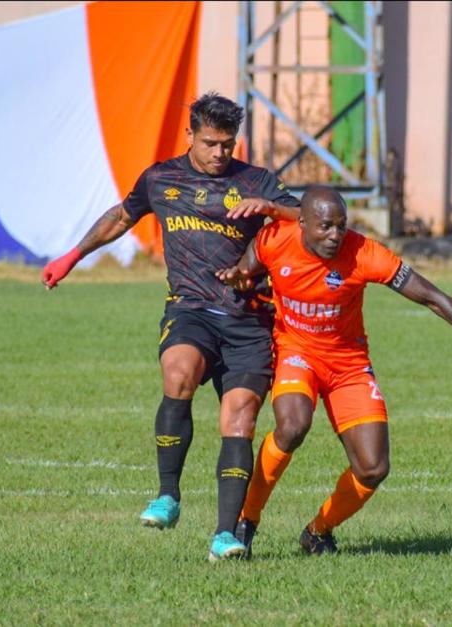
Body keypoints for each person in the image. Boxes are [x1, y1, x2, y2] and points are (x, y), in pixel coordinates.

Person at [41, 92, 300, 562]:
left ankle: (226, 535)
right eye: (211, 142)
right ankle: (168, 495)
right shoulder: (161, 178)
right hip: (191, 310)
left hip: (249, 320)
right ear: (191, 136)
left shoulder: (257, 181)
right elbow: (122, 215)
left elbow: (313, 219)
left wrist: (272, 206)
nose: (221, 153)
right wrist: (72, 257)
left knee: (239, 418)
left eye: (228, 143)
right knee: (178, 373)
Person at [215, 186, 452, 557]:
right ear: (302, 223)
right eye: (326, 227)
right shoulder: (274, 238)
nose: (336, 235)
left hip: (348, 365)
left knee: (373, 467)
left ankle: (318, 532)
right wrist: (241, 275)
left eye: (342, 226)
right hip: (297, 353)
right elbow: (249, 267)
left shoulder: (365, 252)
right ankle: (246, 521)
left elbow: (433, 297)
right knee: (293, 425)